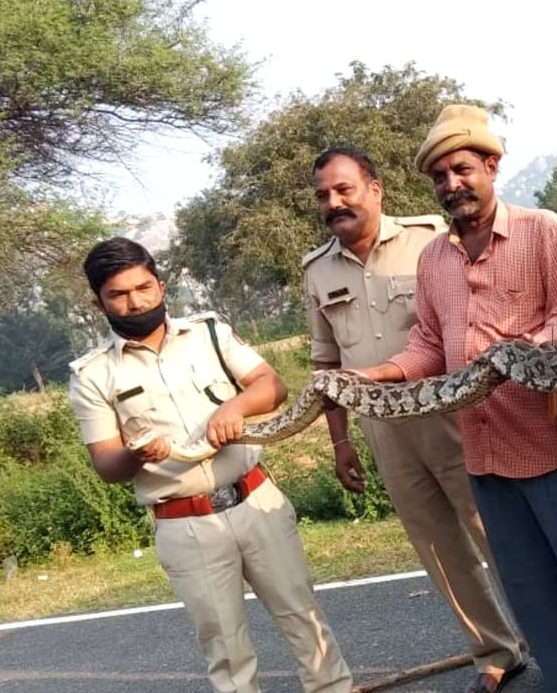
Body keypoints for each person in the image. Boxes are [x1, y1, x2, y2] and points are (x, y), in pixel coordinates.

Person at [350, 104, 557, 692]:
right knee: (536, 603)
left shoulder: (541, 230)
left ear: (491, 166)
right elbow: (427, 342)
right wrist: (380, 374)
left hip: (553, 450)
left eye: (462, 169)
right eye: (440, 176)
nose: (451, 184)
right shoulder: (434, 258)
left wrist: (516, 355)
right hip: (485, 463)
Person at [66, 237, 354, 693]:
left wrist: (234, 408)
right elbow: (106, 462)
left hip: (256, 499)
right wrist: (136, 454)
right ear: (98, 301)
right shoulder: (92, 375)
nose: (135, 301)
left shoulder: (209, 332)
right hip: (185, 524)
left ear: (160, 285)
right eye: (118, 294)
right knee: (226, 649)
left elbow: (271, 385)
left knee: (303, 617)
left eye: (143, 287)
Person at [301, 146, 528, 693]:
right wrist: (341, 443)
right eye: (324, 196)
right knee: (439, 550)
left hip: (453, 415)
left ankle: (553, 641)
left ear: (374, 189)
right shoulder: (316, 270)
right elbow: (325, 363)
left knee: (495, 533)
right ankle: (496, 652)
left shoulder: (431, 238)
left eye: (344, 189)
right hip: (386, 433)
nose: (334, 203)